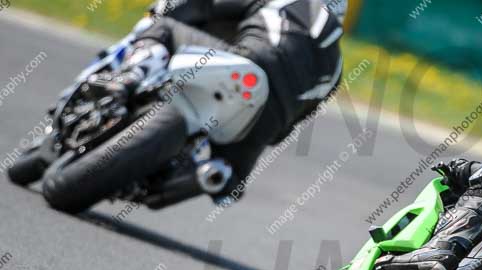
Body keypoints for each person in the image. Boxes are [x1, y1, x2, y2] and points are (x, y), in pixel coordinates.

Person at [90, 0, 347, 202]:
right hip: (267, 118)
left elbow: (204, 5)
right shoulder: (337, 70)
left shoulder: (288, 1)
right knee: (230, 183)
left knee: (165, 29)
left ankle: (128, 77)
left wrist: (164, 13)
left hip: (247, 63)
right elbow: (283, 132)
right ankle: (205, 175)